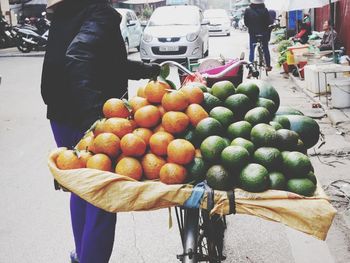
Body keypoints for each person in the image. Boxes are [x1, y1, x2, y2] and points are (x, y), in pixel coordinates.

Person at [41, 0, 160, 262]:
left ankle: (81, 255)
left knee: (82, 188)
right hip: (86, 117)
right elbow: (78, 56)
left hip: (60, 114)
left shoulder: (66, 14)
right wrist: (96, 121)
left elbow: (105, 61)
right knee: (103, 199)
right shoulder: (100, 12)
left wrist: (147, 70)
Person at [244, 0, 272, 74]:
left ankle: (250, 70)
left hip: (253, 33)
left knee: (252, 49)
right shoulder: (265, 10)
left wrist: (252, 27)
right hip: (264, 33)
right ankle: (268, 66)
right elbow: (268, 22)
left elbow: (246, 23)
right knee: (265, 48)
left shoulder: (248, 10)